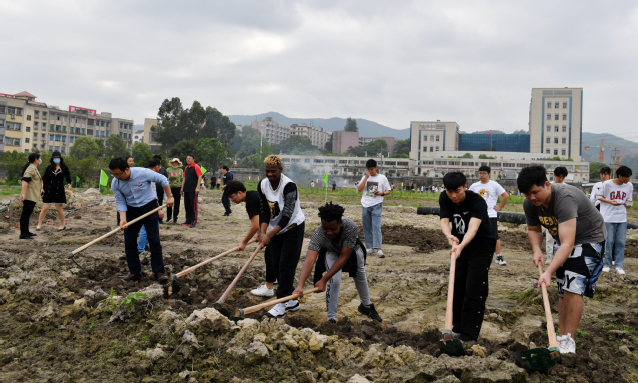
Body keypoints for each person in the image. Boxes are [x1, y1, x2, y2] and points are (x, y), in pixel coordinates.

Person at [518, 166, 605, 354]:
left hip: (589, 239)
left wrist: (548, 272)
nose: (532, 197)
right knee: (563, 289)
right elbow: (534, 230)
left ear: (547, 184)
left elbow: (568, 242)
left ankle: (568, 340)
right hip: (564, 241)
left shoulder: (565, 198)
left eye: (535, 192)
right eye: (527, 194)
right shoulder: (530, 203)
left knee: (573, 286)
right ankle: (562, 334)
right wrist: (537, 251)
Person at [294, 203, 382, 323]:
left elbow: (344, 257)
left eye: (333, 229)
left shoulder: (351, 227)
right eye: (326, 229)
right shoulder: (318, 234)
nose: (329, 232)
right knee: (334, 280)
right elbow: (309, 260)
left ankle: (366, 306)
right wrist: (300, 286)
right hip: (331, 250)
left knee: (359, 273)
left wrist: (323, 279)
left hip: (351, 250)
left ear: (340, 223)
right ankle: (331, 318)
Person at [439, 172, 496, 342]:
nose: (454, 196)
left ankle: (469, 336)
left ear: (465, 187)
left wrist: (462, 245)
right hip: (459, 246)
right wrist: (449, 236)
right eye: (450, 192)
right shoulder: (445, 198)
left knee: (474, 289)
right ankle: (457, 328)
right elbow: (444, 221)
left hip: (481, 246)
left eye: (457, 191)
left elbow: (473, 227)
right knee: (457, 287)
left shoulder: (477, 201)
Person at [109, 157, 174, 284]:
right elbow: (121, 202)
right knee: (129, 241)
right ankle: (135, 273)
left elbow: (163, 179)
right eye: (114, 174)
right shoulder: (115, 183)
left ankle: (159, 272)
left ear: (127, 169)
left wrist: (170, 197)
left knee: (153, 240)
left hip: (149, 207)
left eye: (118, 174)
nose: (116, 177)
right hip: (131, 210)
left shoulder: (142, 172)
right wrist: (123, 219)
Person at [258, 155, 306, 318]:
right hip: (275, 229)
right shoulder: (263, 185)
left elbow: (286, 215)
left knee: (286, 264)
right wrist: (262, 232)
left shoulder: (289, 186)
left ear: (280, 170)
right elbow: (264, 210)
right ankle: (291, 302)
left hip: (292, 227)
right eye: (267, 171)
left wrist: (269, 235)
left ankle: (281, 304)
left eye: (273, 171)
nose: (270, 174)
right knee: (275, 263)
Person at [224, 180, 276, 297]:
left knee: (270, 253)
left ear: (239, 193)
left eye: (232, 197)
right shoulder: (253, 195)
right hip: (277, 224)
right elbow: (261, 217)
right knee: (274, 252)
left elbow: (254, 225)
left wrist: (244, 242)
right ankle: (275, 277)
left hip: (279, 225)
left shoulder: (250, 202)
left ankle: (269, 287)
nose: (232, 200)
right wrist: (259, 233)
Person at [469, 166, 510, 265]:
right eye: (480, 173)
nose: (481, 175)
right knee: (475, 234)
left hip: (491, 214)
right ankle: (475, 254)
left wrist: (500, 207)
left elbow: (505, 195)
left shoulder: (494, 185)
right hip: (477, 215)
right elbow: (468, 197)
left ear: (488, 174)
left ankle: (498, 256)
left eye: (483, 173)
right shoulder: (474, 186)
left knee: (494, 236)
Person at [597, 166, 633, 275]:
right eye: (626, 177)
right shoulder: (607, 184)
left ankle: (619, 266)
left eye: (629, 177)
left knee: (621, 242)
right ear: (620, 176)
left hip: (621, 218)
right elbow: (599, 196)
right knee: (608, 242)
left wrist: (628, 203)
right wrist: (609, 201)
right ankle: (607, 264)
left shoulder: (629, 186)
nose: (628, 179)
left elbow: (629, 200)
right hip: (608, 217)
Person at [356, 159, 391, 258]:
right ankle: (369, 248)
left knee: (376, 226)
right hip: (365, 204)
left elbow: (388, 190)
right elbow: (359, 189)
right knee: (367, 227)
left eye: (371, 169)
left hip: (377, 204)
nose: (370, 171)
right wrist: (366, 178)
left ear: (376, 168)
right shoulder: (365, 177)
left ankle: (378, 249)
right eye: (368, 169)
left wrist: (382, 193)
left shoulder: (382, 178)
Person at [37, 151, 72, 231]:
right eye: (55, 158)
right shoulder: (49, 167)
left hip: (59, 190)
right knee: (45, 207)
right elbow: (44, 179)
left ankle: (62, 225)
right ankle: (39, 224)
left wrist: (69, 189)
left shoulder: (64, 168)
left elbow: (68, 179)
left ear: (60, 158)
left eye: (58, 158)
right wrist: (42, 188)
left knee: (58, 208)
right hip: (48, 189)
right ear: (52, 159)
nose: (56, 159)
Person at [137, 158, 166, 255]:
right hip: (148, 204)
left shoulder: (145, 173)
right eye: (159, 166)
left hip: (145, 202)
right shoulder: (150, 176)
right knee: (146, 227)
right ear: (157, 166)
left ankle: (144, 245)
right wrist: (159, 209)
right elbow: (153, 195)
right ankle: (140, 248)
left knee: (154, 224)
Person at [546, 166, 568, 263]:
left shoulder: (566, 187)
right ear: (554, 175)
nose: (561, 179)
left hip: (562, 215)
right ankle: (549, 256)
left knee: (563, 237)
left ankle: (561, 256)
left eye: (563, 177)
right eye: (559, 177)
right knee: (549, 237)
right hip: (550, 215)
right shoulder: (548, 186)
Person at [19, 153, 43, 240]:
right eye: (40, 158)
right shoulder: (31, 168)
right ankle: (23, 234)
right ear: (36, 159)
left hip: (32, 194)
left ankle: (26, 232)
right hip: (29, 195)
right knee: (25, 214)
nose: (40, 160)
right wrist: (24, 194)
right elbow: (25, 181)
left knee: (28, 214)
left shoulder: (33, 168)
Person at [180, 154, 202, 228]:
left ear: (193, 159)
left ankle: (194, 221)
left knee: (193, 206)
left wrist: (197, 188)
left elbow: (199, 177)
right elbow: (184, 178)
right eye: (187, 158)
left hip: (193, 190)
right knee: (187, 205)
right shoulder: (186, 168)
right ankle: (188, 220)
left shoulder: (196, 167)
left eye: (190, 158)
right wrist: (182, 188)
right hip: (186, 189)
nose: (188, 159)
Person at [166, 158, 184, 224]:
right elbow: (165, 178)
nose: (174, 163)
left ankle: (175, 218)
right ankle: (168, 217)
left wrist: (182, 188)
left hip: (178, 187)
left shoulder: (180, 170)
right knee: (169, 202)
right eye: (173, 162)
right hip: (170, 187)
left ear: (178, 163)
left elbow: (182, 179)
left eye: (176, 162)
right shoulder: (168, 170)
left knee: (177, 203)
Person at [153, 155, 168, 224]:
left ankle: (160, 219)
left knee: (160, 203)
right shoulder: (151, 169)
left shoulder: (163, 169)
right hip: (152, 189)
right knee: (153, 204)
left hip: (160, 189)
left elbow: (165, 179)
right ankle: (153, 218)